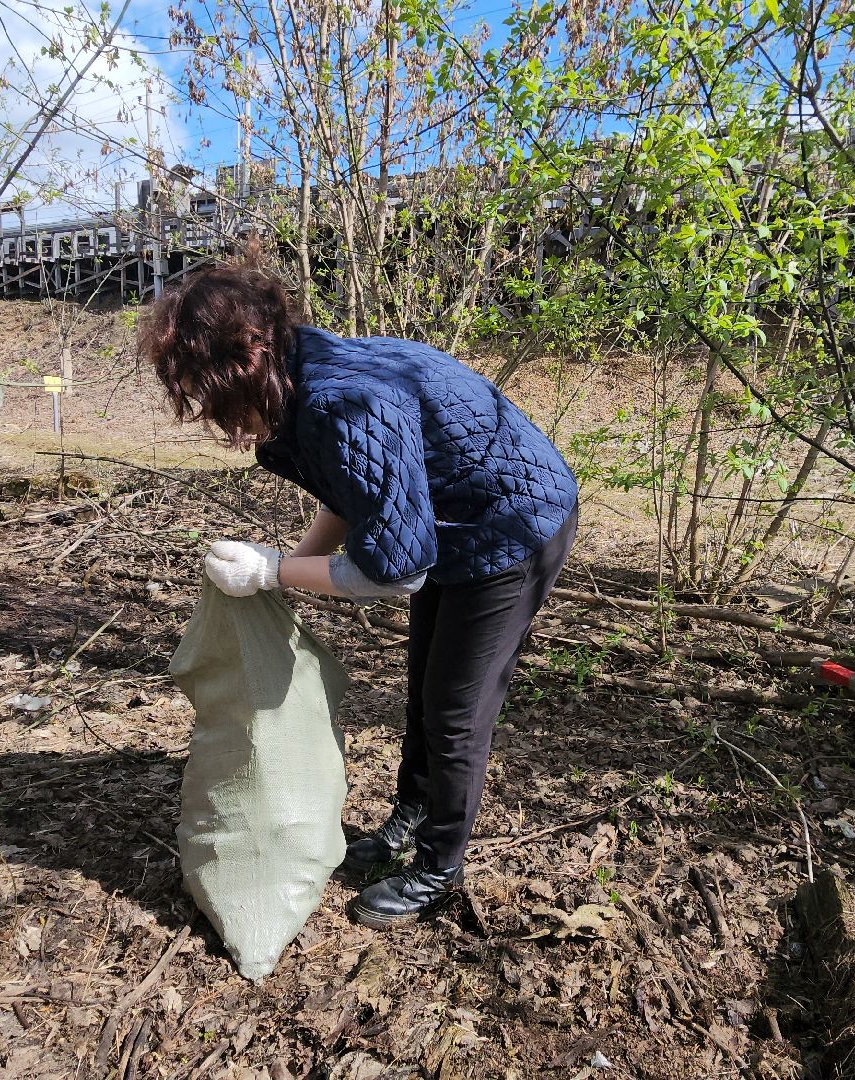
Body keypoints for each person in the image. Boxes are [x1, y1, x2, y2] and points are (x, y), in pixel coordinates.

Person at [144, 264, 580, 930]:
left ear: (249, 358)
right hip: (453, 521)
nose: (216, 422)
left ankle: (439, 867)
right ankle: (408, 821)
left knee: (456, 712)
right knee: (425, 691)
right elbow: (356, 495)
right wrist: (296, 564)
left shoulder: (343, 403)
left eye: (215, 399)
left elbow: (396, 571)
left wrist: (275, 573)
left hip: (515, 523)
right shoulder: (298, 376)